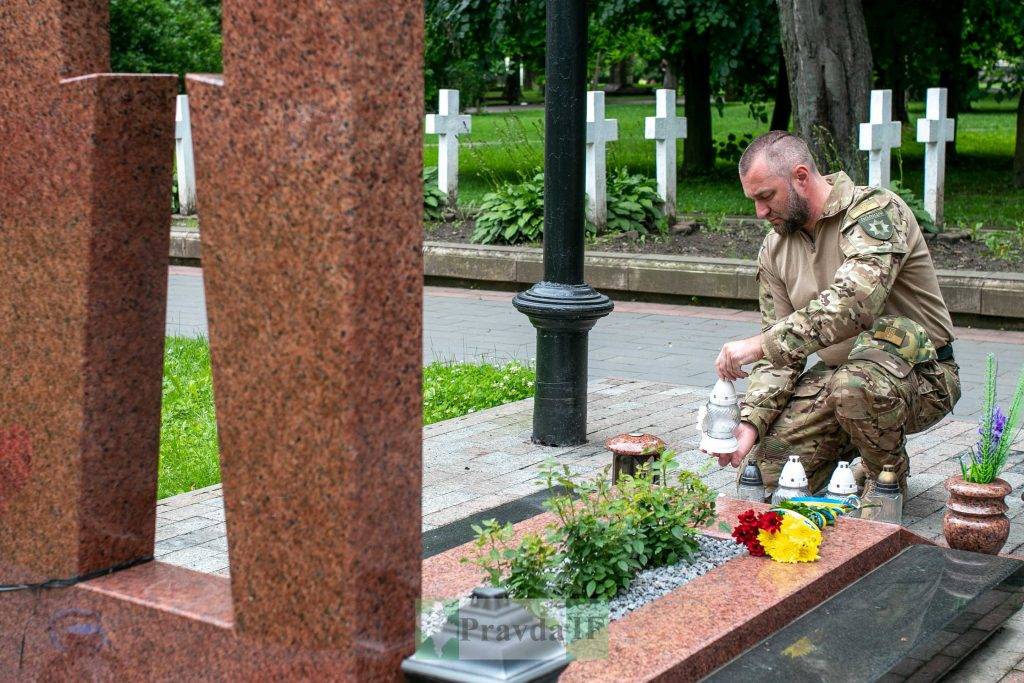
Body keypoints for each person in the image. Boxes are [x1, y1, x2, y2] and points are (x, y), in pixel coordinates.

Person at [712, 130, 960, 498]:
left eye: (766, 197)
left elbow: (854, 305)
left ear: (800, 177)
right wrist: (750, 422)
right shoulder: (774, 247)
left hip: (922, 376)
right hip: (840, 378)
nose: (760, 212)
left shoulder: (876, 212)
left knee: (855, 388)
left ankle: (887, 478)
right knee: (766, 481)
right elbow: (780, 357)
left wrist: (760, 345)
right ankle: (859, 447)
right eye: (753, 200)